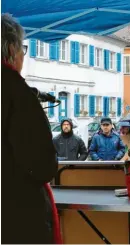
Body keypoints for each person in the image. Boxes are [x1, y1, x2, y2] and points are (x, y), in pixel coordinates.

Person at [2, 14, 59, 243]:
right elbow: (42, 164)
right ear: (13, 48)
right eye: (23, 50)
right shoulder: (16, 93)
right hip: (17, 216)